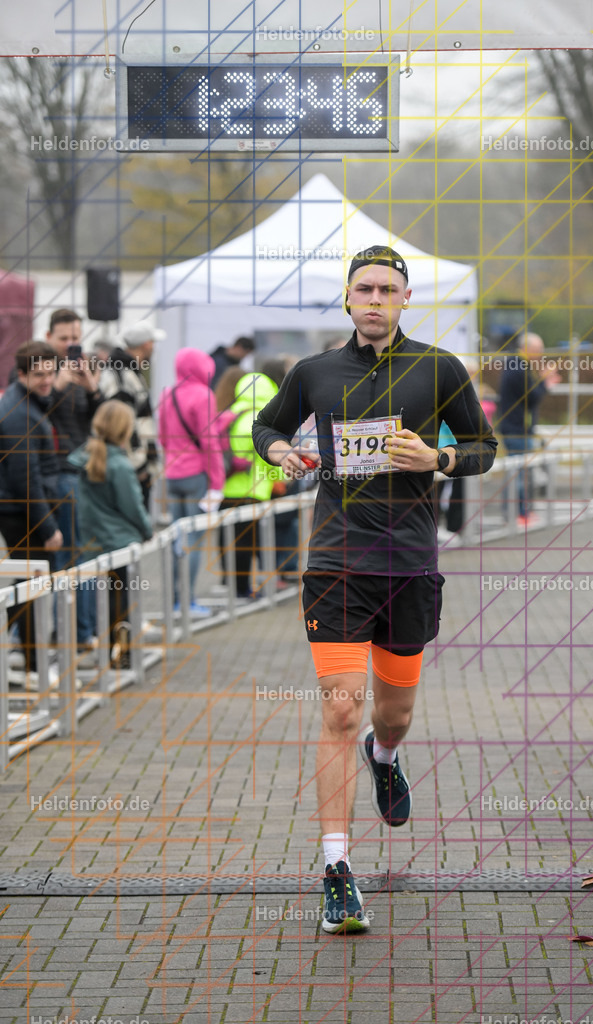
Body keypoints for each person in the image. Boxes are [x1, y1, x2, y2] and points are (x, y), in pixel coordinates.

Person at [253, 244, 497, 933]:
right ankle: (335, 870)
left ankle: (383, 757)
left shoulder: (437, 369)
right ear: (348, 298)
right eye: (363, 288)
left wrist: (439, 456)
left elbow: (485, 447)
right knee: (338, 711)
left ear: (404, 299)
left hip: (409, 566)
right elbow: (264, 424)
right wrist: (278, 451)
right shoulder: (313, 372)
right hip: (335, 564)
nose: (374, 299)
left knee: (391, 716)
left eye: (387, 289)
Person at [67, 401, 153, 668]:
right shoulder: (121, 466)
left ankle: (105, 653)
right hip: (120, 542)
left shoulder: (86, 458)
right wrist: (147, 530)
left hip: (94, 540)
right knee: (122, 603)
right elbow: (132, 506)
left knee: (102, 601)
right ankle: (123, 654)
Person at [0, 342, 63, 683]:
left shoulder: (27, 405)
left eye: (51, 373)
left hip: (20, 510)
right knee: (32, 587)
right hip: (21, 513)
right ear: (22, 373)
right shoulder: (20, 413)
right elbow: (27, 478)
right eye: (39, 374)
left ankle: (30, 663)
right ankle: (33, 668)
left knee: (28, 587)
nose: (47, 381)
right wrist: (49, 526)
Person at [45, 308, 102, 653]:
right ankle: (65, 635)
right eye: (64, 338)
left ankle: (81, 633)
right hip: (53, 473)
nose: (70, 345)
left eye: (75, 339)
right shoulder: (39, 371)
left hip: (83, 472)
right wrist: (58, 384)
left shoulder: (86, 369)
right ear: (50, 337)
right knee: (63, 557)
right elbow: (28, 415)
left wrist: (91, 388)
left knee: (82, 555)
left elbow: (102, 423)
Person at [157, 348, 227, 616]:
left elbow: (163, 438)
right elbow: (210, 443)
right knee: (193, 542)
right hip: (196, 476)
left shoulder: (167, 394)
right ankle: (188, 602)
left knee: (176, 541)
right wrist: (217, 484)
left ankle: (174, 601)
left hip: (172, 476)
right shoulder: (203, 395)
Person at [221, 369, 284, 598]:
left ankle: (235, 586)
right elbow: (265, 456)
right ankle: (243, 590)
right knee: (248, 543)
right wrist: (280, 478)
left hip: (227, 486)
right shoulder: (259, 418)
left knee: (235, 541)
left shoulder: (231, 413)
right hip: (253, 489)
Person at [496, 332, 559, 526]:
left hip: (516, 427)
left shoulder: (517, 365)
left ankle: (518, 512)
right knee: (519, 473)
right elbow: (531, 397)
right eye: (538, 350)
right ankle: (518, 513)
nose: (540, 355)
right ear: (528, 348)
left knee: (519, 471)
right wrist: (546, 381)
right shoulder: (519, 367)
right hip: (516, 429)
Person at [98, 320, 163, 509]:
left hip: (133, 466)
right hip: (131, 468)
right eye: (153, 343)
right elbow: (123, 425)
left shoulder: (129, 372)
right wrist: (139, 465)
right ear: (146, 344)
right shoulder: (122, 375)